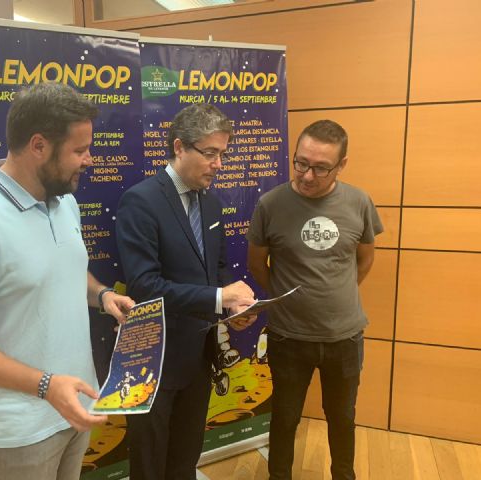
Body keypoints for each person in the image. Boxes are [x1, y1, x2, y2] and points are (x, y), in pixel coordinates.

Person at [0, 82, 135, 480]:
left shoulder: (65, 202)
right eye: (79, 150)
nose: (89, 160)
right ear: (39, 145)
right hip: (14, 433)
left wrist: (102, 294)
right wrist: (46, 386)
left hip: (73, 409)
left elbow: (61, 270)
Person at [115, 103, 257, 480]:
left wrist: (233, 309)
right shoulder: (141, 201)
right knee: (150, 463)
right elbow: (145, 285)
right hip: (152, 357)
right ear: (179, 147)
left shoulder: (210, 203)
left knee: (185, 458)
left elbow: (217, 269)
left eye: (222, 154)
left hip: (198, 354)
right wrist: (219, 299)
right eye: (210, 153)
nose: (218, 164)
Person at [246, 119, 383, 480]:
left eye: (321, 168)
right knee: (285, 417)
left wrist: (337, 292)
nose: (307, 175)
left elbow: (365, 258)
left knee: (342, 417)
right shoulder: (271, 204)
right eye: (301, 163)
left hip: (344, 337)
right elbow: (257, 264)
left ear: (342, 164)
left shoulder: (359, 202)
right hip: (288, 337)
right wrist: (286, 299)